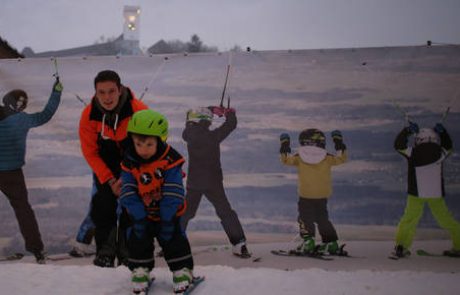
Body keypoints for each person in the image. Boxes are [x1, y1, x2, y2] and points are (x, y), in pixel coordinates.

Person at [119, 109, 195, 294]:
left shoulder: (170, 160)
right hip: (142, 215)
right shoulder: (129, 162)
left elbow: (174, 189)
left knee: (174, 240)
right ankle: (140, 270)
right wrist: (138, 214)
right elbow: (128, 189)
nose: (143, 150)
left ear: (160, 140)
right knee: (138, 241)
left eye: (149, 144)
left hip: (167, 214)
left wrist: (167, 216)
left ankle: (182, 270)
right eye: (138, 144)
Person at [78, 70, 148, 267]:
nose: (107, 97)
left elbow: (151, 148)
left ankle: (128, 254)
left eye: (111, 91)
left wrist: (129, 177)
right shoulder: (89, 115)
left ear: (120, 90)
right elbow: (90, 152)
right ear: (96, 93)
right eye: (102, 92)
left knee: (132, 207)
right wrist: (109, 180)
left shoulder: (139, 110)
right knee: (103, 206)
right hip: (105, 168)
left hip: (134, 165)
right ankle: (105, 253)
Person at [0, 78, 63, 264]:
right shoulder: (24, 119)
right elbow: (46, 114)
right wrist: (56, 92)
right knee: (23, 210)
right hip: (13, 173)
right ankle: (37, 250)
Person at [181, 106, 251, 258]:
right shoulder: (212, 137)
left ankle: (173, 244)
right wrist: (229, 114)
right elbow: (230, 125)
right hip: (213, 182)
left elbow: (192, 117)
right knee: (225, 212)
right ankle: (239, 244)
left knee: (185, 213)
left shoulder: (188, 135)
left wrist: (211, 109)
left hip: (194, 182)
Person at [392, 121, 460, 258]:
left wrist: (407, 131)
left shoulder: (413, 152)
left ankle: (401, 246)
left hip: (416, 193)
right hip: (436, 194)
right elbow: (449, 146)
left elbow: (398, 145)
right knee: (447, 220)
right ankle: (458, 246)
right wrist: (443, 132)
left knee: (409, 220)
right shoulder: (441, 153)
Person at [279, 128, 347, 255]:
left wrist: (284, 145)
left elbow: (286, 160)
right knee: (322, 219)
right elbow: (341, 158)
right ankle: (331, 243)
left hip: (305, 195)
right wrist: (338, 142)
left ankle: (308, 242)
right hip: (322, 195)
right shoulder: (327, 157)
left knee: (305, 219)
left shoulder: (299, 157)